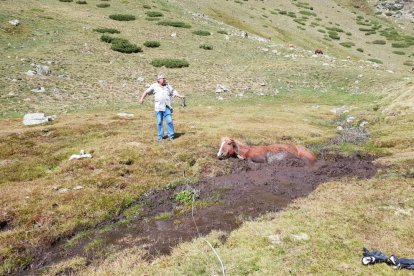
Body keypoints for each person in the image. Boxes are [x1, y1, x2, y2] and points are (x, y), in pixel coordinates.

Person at [139, 72, 185, 142]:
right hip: (158, 107)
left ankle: (171, 136)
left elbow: (174, 92)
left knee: (169, 121)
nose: (164, 79)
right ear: (158, 80)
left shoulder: (168, 86)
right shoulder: (154, 86)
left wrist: (180, 96)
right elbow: (146, 92)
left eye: (164, 78)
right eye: (162, 78)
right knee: (159, 122)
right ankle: (160, 137)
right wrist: (142, 99)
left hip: (167, 107)